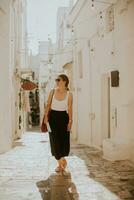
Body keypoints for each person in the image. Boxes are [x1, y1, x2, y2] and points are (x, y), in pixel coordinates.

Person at [44, 74, 73, 172]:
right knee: (54, 140)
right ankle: (61, 161)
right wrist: (45, 117)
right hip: (53, 118)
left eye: (58, 80)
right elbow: (48, 105)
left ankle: (61, 164)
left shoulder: (69, 94)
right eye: (56, 80)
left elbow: (69, 109)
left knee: (63, 140)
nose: (56, 81)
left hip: (63, 118)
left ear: (64, 81)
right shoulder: (52, 92)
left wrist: (70, 121)